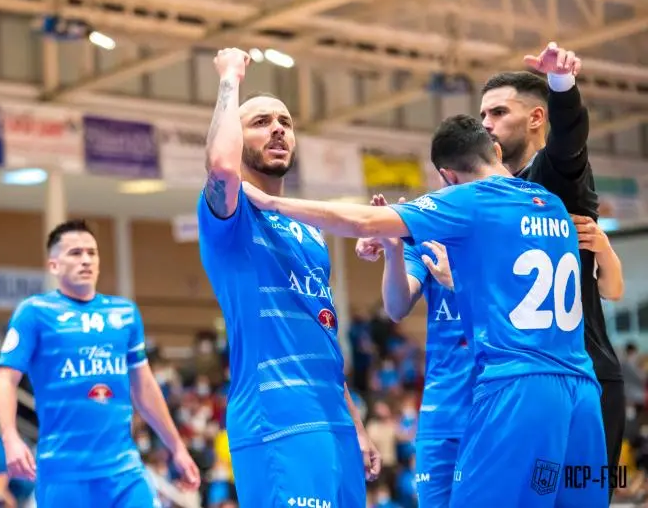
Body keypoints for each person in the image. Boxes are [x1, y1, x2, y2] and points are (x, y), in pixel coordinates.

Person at [242, 114, 608, 507]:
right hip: (583, 391)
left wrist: (273, 202)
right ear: (495, 151)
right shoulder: (550, 203)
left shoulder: (470, 199)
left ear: (447, 176)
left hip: (519, 388)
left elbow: (362, 220)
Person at [197, 47, 381, 508]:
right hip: (276, 422)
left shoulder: (310, 234)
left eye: (285, 121)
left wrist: (355, 427)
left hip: (334, 425)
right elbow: (221, 166)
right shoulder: (231, 216)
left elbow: (324, 336)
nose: (278, 127)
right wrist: (229, 78)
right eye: (260, 122)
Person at [480, 43, 625, 499]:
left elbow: (569, 140)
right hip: (527, 384)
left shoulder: (553, 174)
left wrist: (562, 85)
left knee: (585, 498)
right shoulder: (492, 193)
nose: (486, 124)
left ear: (536, 118)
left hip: (586, 378)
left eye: (498, 112)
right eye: (481, 115)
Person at [0, 219, 200, 508]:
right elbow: (5, 380)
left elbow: (144, 387)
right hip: (63, 475)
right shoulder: (34, 313)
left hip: (123, 471)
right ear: (53, 265)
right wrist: (10, 437)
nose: (86, 260)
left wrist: (177, 447)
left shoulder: (124, 313)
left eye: (92, 252)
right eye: (75, 253)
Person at [355, 194, 473, 508]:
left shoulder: (505, 227)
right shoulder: (429, 232)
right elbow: (396, 306)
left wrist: (458, 282)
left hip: (495, 406)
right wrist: (393, 250)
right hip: (441, 413)